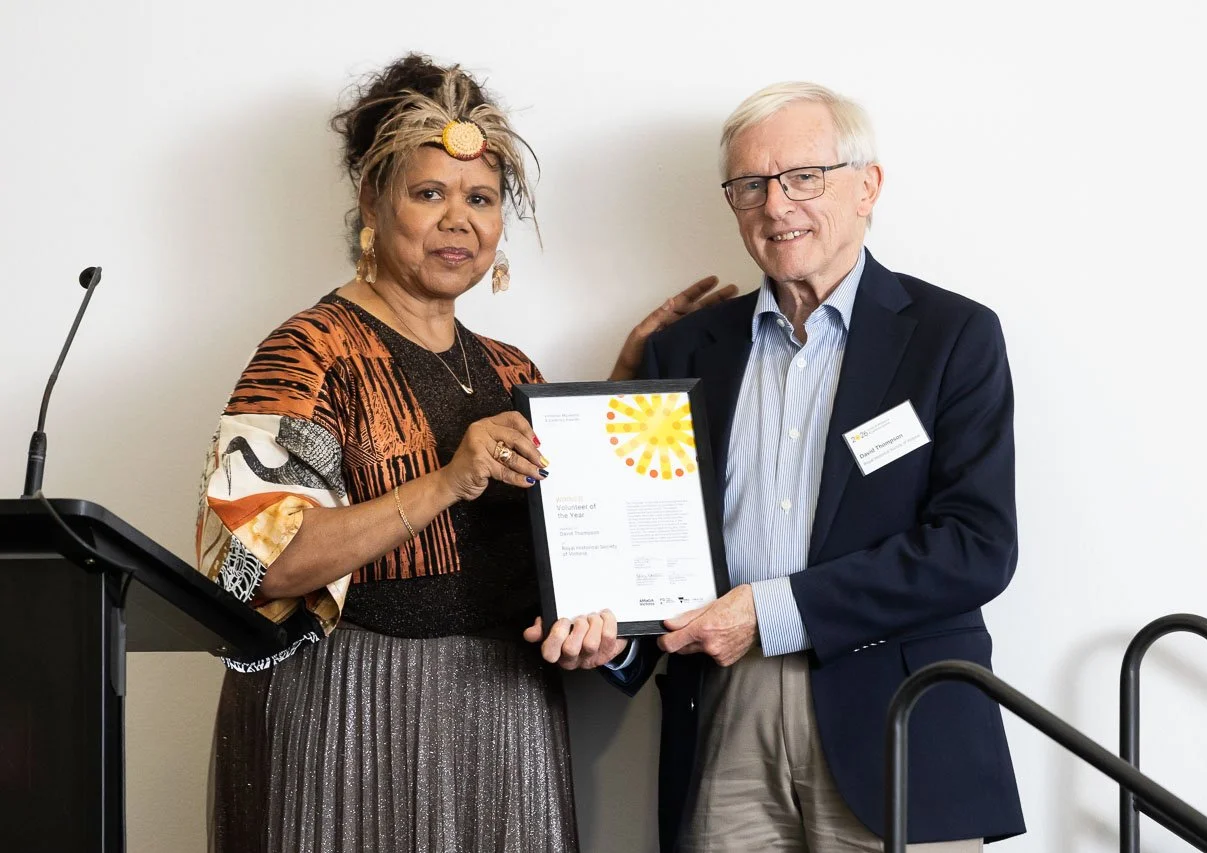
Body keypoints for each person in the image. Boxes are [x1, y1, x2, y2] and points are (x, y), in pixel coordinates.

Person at [196, 53, 730, 853]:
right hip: (348, 712)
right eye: (429, 193)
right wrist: (449, 479)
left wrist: (620, 393)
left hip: (504, 714)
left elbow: (567, 529)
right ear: (371, 201)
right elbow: (253, 566)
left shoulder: (512, 370)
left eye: (480, 198)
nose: (460, 221)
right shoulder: (309, 352)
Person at [604, 82, 1026, 852]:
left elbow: (976, 545)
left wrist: (767, 611)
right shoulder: (683, 352)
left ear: (868, 186)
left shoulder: (952, 336)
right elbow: (648, 539)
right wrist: (618, 632)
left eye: (804, 177)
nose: (776, 206)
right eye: (750, 186)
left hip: (897, 710)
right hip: (726, 707)